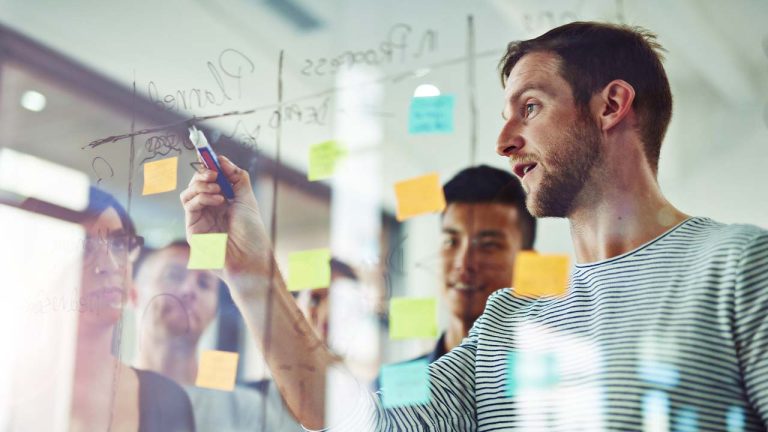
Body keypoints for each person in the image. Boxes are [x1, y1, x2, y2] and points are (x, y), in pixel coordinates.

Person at [180, 22, 768, 431]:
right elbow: (356, 420)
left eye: (530, 107)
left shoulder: (740, 267)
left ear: (611, 105)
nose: (504, 140)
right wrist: (249, 269)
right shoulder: (509, 322)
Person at [376, 165, 534, 387]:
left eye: (489, 245)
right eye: (451, 241)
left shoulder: (545, 384)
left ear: (527, 263)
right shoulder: (392, 386)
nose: (464, 263)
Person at [132, 241, 301, 431]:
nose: (189, 290)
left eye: (203, 283)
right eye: (173, 275)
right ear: (133, 294)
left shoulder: (245, 410)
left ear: (214, 311)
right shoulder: (106, 397)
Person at [71, 187, 195, 432]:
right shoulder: (13, 386)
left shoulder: (168, 400)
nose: (110, 264)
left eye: (119, 245)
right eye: (86, 246)